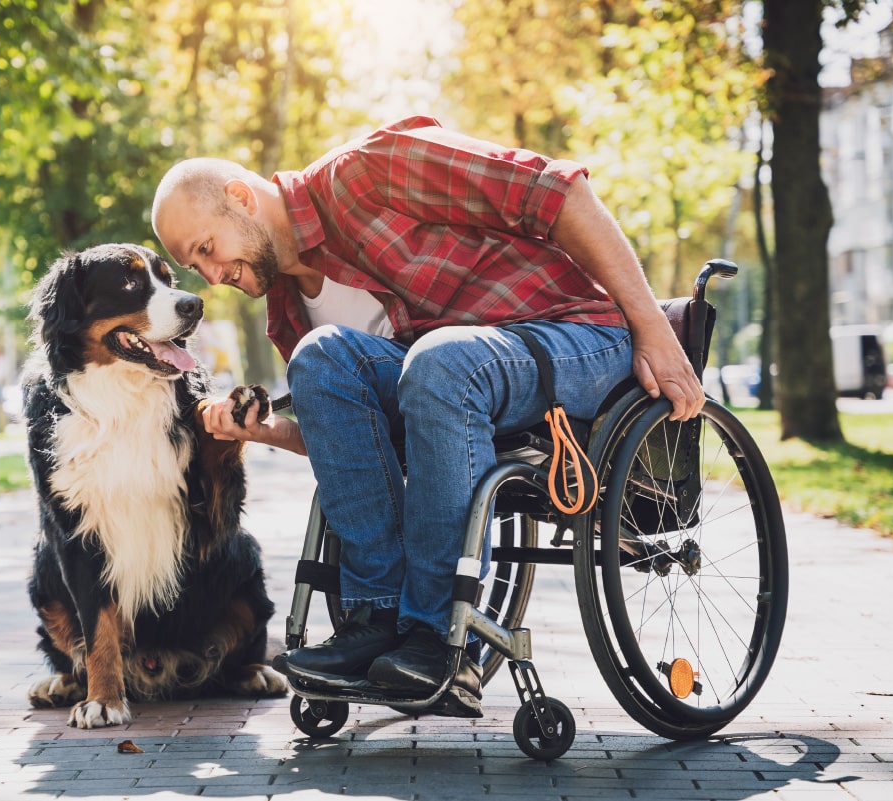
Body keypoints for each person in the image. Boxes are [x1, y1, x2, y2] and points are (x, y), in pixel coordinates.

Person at [151, 116, 704, 717]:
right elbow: (353, 444)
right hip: (458, 378)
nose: (210, 276)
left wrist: (652, 327)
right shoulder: (289, 311)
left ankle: (441, 638)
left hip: (573, 336)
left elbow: (559, 191)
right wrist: (263, 431)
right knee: (323, 359)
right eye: (194, 266)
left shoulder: (373, 169)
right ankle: (378, 618)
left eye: (206, 248)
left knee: (439, 358)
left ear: (240, 197)